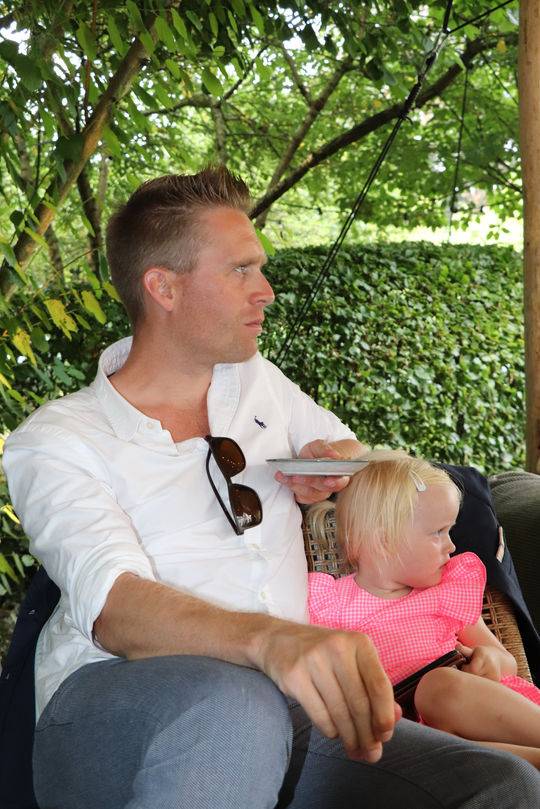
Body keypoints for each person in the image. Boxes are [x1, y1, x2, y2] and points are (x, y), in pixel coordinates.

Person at [3, 165, 540, 808]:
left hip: (283, 704)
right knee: (235, 702)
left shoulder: (258, 383)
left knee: (502, 785)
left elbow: (352, 452)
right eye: (241, 270)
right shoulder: (58, 439)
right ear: (163, 287)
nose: (267, 291)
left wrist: (333, 467)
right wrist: (273, 640)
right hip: (113, 705)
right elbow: (113, 607)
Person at [308, 449, 540, 770]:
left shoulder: (445, 592)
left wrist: (488, 661)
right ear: (384, 540)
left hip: (485, 714)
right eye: (438, 533)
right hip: (420, 746)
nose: (452, 545)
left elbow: (508, 664)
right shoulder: (329, 606)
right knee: (435, 736)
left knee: (437, 687)